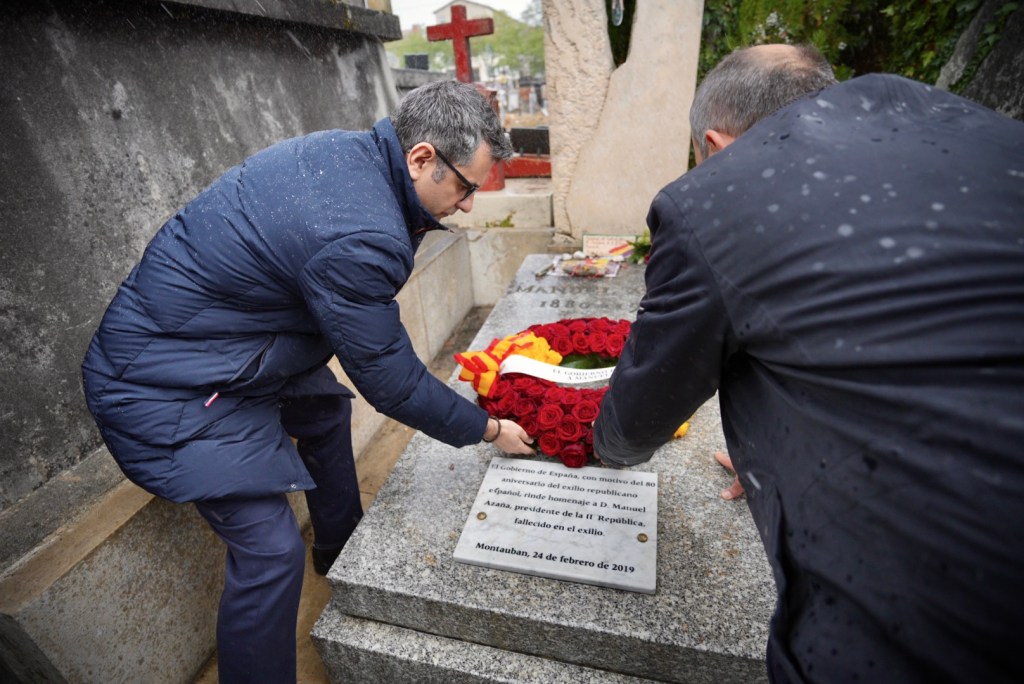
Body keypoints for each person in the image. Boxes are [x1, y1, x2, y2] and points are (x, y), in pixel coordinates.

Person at [593, 44, 1024, 683]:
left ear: (714, 145)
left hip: (933, 620)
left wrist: (606, 447)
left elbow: (636, 419)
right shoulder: (958, 128)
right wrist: (779, 451)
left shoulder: (718, 195)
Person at [81, 80, 535, 683]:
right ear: (421, 157)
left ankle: (341, 549)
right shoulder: (361, 233)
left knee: (323, 408)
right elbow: (392, 381)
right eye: (465, 187)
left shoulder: (353, 153)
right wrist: (489, 428)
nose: (469, 205)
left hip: (218, 345)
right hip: (163, 384)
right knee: (270, 551)